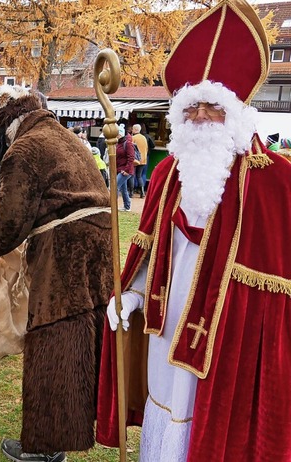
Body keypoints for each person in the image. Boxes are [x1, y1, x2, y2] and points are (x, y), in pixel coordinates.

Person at [97, 1, 291, 460]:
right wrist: (133, 295)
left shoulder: (274, 181)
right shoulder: (167, 174)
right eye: (193, 109)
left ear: (237, 113)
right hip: (167, 327)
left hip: (228, 336)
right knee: (167, 407)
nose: (202, 117)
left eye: (214, 108)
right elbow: (151, 250)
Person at [0, 85, 113, 462]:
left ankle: (45, 447)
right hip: (100, 250)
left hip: (64, 256)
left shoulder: (23, 150)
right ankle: (62, 436)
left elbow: (8, 225)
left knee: (54, 343)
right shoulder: (66, 136)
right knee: (82, 340)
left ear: (1, 128)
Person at [116, 123, 135, 211]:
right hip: (120, 169)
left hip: (125, 170)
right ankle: (127, 206)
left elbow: (131, 157)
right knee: (123, 189)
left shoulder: (127, 144)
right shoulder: (118, 143)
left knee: (115, 186)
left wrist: (126, 170)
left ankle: (111, 205)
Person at [131, 123, 148, 198]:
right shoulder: (144, 138)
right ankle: (142, 192)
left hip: (135, 160)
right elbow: (146, 148)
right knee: (139, 176)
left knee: (132, 175)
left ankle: (131, 192)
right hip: (143, 159)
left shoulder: (133, 138)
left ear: (135, 129)